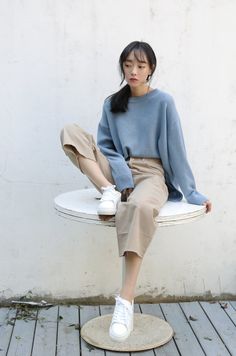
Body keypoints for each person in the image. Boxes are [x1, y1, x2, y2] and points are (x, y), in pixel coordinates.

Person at [60, 41, 212, 343]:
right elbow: (104, 147)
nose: (133, 71)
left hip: (150, 172)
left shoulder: (163, 102)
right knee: (71, 133)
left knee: (140, 208)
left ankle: (125, 301)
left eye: (140, 66)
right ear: (123, 67)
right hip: (115, 173)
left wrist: (191, 192)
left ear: (150, 69)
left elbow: (176, 150)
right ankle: (108, 192)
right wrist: (116, 179)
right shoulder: (112, 103)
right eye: (128, 65)